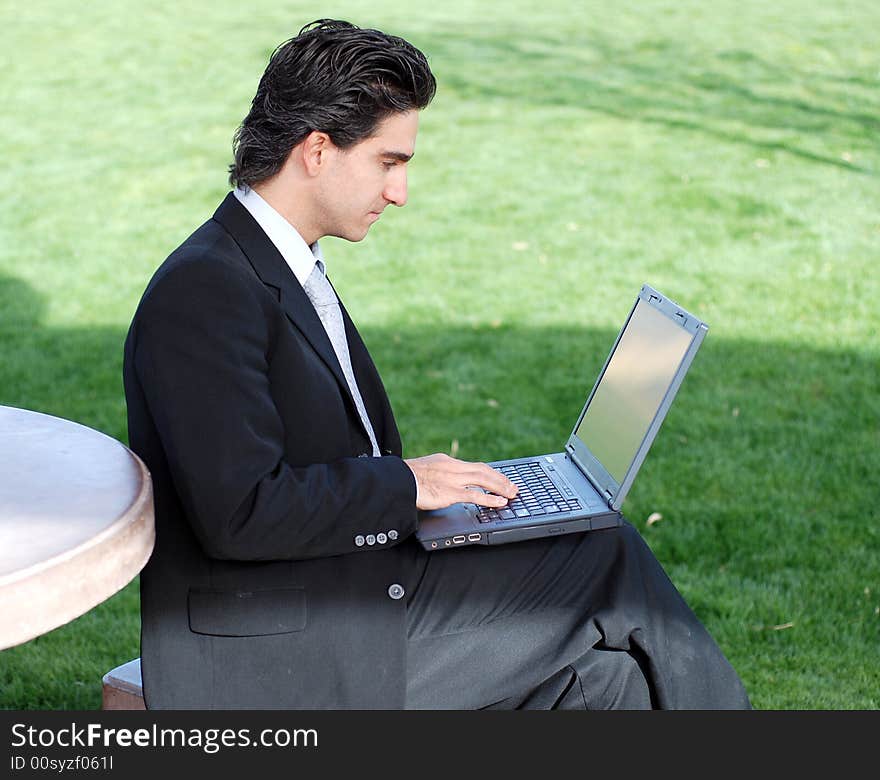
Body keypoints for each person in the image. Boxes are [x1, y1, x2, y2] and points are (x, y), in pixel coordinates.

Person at [122, 19, 751, 709]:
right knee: (606, 555)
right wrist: (403, 485)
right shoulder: (205, 291)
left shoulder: (280, 266)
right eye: (389, 162)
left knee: (608, 685)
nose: (400, 193)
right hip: (271, 649)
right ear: (317, 151)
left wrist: (431, 497)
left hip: (344, 584)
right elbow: (239, 513)